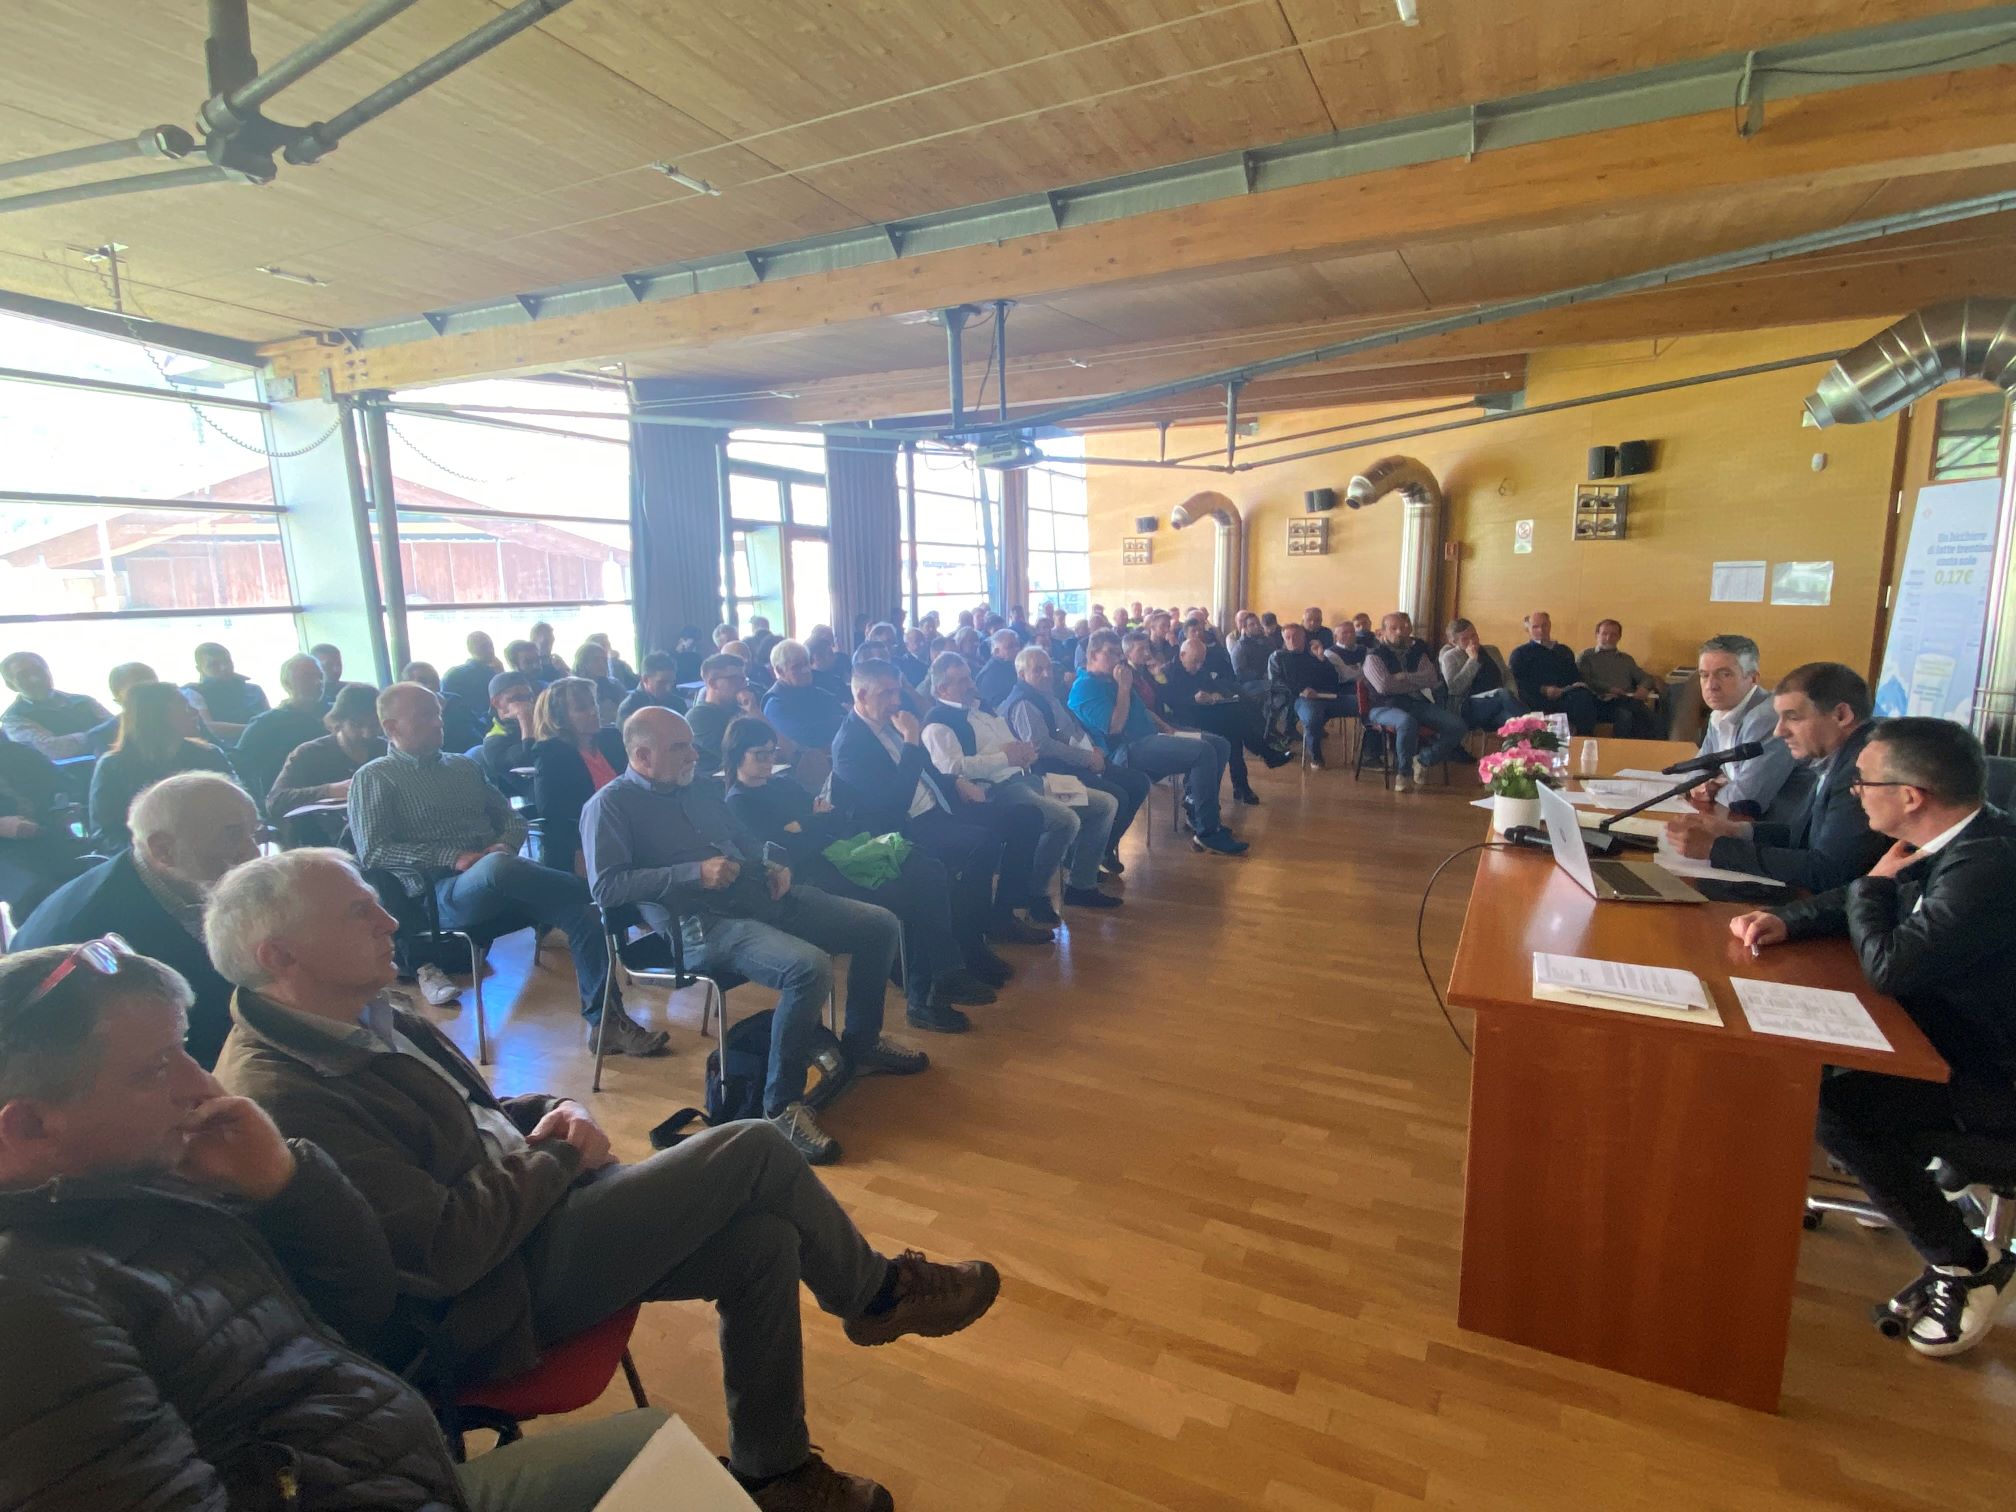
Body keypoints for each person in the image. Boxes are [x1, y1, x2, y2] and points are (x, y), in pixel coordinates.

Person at [207, 847, 996, 1509]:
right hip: (484, 1304)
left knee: (762, 1243)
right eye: (358, 912)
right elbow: (440, 1253)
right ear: (280, 956)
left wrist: (552, 1109)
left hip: (532, 1224)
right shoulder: (284, 1093)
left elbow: (472, 1117)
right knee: (755, 1145)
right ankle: (874, 1295)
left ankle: (775, 1471)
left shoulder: (367, 1015)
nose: (389, 921)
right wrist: (557, 1158)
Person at [0, 942, 670, 1512]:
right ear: (28, 1128)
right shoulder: (31, 1311)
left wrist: (288, 1183)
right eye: (154, 1070)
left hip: (394, 1464)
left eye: (182, 1049)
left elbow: (361, 1308)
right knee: (662, 1466)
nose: (200, 1085)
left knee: (655, 1447)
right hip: (378, 1483)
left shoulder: (148, 1182)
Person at [1731, 718, 2016, 1358]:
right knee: (1831, 1075)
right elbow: (1868, 896)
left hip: (1995, 1076)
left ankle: (1966, 1263)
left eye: (1864, 782)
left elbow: (1891, 965)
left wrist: (1873, 889)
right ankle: (1928, 1199)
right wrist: (1785, 919)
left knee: (1842, 1110)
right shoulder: (1959, 835)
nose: (1855, 792)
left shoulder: (1989, 865)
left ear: (1911, 795)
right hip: (1956, 1035)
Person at [584, 708, 922, 1160]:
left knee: (879, 924)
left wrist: (772, 861)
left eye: (691, 743)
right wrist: (693, 873)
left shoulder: (701, 787)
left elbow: (743, 838)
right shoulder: (610, 805)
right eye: (679, 747)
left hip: (757, 896)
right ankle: (781, 1106)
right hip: (699, 924)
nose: (693, 754)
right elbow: (606, 888)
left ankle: (861, 1042)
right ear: (642, 756)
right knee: (809, 967)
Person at [348, 683, 660, 1055]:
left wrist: (504, 845)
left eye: (438, 714)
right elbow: (375, 851)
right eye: (425, 716)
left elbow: (513, 820)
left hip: (505, 876)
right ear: (391, 727)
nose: (437, 723)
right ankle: (624, 892)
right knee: (503, 869)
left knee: (584, 914)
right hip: (442, 894)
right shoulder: (375, 777)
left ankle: (606, 1023)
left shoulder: (463, 766)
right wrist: (453, 857)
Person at [722, 716, 996, 1032]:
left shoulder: (783, 784)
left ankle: (940, 976)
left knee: (929, 871)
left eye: (772, 752)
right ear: (737, 755)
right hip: (807, 878)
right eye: (760, 754)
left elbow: (833, 819)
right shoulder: (739, 802)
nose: (769, 761)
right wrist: (813, 823)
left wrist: (804, 826)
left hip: (838, 856)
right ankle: (926, 992)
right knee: (908, 893)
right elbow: (785, 852)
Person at [14, 772, 258, 1067]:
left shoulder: (183, 879)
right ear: (163, 850)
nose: (254, 852)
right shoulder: (93, 935)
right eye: (233, 834)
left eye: (254, 833)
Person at [831, 662, 1043, 967]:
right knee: (982, 843)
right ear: (862, 695)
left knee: (1026, 817)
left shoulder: (890, 723)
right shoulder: (850, 744)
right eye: (887, 693)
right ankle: (970, 944)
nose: (896, 701)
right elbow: (894, 804)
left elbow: (928, 770)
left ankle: (1002, 915)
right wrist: (911, 740)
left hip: (939, 806)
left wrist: (955, 781)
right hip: (904, 827)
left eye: (897, 692)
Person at [1664, 662, 1887, 890]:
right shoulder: (1837, 756)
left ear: (1841, 715)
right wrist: (1735, 831)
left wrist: (1716, 849)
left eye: (1793, 717)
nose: (1779, 731)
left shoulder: (1864, 770)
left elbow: (1828, 870)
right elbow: (1802, 837)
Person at [925, 652, 1105, 923]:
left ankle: (1081, 883)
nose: (971, 684)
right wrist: (1005, 758)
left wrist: (1025, 753)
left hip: (1029, 778)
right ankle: (1036, 892)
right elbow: (952, 769)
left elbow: (1013, 744)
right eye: (961, 681)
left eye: (969, 677)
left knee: (1103, 805)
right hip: (1001, 788)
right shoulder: (938, 723)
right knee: (1065, 820)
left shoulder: (981, 708)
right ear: (942, 689)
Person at [1070, 630, 1246, 856]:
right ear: (1093, 654)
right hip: (1127, 751)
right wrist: (1123, 688)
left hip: (1153, 737)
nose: (1118, 659)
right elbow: (1115, 727)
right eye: (1111, 653)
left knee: (1220, 745)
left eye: (1118, 653)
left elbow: (1142, 710)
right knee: (1203, 752)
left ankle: (1197, 809)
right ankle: (1208, 832)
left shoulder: (1111, 678)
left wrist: (1167, 727)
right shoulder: (1084, 687)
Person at [1000, 646, 1147, 881]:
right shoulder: (1023, 704)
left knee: (1138, 782)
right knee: (1117, 796)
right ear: (1021, 674)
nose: (1047, 674)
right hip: (1049, 778)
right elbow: (1043, 747)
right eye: (1038, 670)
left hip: (1075, 763)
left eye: (1049, 668)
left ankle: (1100, 850)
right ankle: (1080, 862)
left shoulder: (1047, 694)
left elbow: (1073, 728)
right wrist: (1088, 758)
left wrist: (1093, 749)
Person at [86, 681, 240, 854]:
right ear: (156, 716)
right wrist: (150, 856)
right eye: (185, 707)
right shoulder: (113, 766)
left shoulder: (209, 755)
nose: (195, 712)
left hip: (214, 852)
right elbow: (105, 835)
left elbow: (237, 807)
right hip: (145, 858)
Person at [1163, 635, 1291, 805]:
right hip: (1184, 720)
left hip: (1205, 715)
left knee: (1234, 728)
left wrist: (1217, 694)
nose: (1199, 666)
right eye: (1195, 661)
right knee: (1234, 726)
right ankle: (1258, 764)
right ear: (1182, 655)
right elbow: (1168, 702)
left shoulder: (1200, 669)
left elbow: (1212, 686)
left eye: (1201, 661)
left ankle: (1246, 779)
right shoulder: (1168, 673)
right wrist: (1192, 699)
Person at [1691, 633, 1802, 821]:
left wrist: (1715, 789)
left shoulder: (1767, 719)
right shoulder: (1720, 711)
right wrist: (1703, 785)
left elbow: (1745, 801)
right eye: (1704, 675)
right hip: (1736, 820)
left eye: (1725, 674)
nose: (1711, 685)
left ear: (1753, 679)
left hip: (1774, 828)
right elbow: (1696, 769)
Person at [268, 683, 387, 850]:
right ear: (338, 721)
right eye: (357, 724)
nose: (367, 733)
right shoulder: (309, 753)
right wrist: (329, 790)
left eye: (374, 725)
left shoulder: (386, 749)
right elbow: (275, 802)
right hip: (322, 845)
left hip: (381, 837)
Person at [1361, 612, 1469, 791]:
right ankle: (1404, 774)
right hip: (1383, 707)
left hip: (1414, 703)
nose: (1400, 632)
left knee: (1457, 726)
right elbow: (1384, 686)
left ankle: (1423, 759)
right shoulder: (1373, 656)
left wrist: (1403, 677)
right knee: (1407, 722)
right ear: (1382, 632)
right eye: (1394, 628)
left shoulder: (1417, 652)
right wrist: (1414, 681)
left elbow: (1430, 678)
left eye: (1403, 627)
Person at [531, 675, 626, 877]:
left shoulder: (613, 739)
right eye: (582, 708)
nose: (593, 711)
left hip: (626, 829)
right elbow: (555, 816)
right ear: (560, 719)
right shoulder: (551, 754)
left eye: (594, 704)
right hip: (584, 841)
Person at [0, 732, 88, 919]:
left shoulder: (18, 752)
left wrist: (63, 805)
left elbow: (62, 783)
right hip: (7, 851)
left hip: (45, 833)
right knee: (38, 894)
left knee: (87, 879)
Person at [232, 652, 330, 807]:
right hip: (289, 803)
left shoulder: (336, 715)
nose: (318, 682)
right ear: (287, 683)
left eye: (320, 677)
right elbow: (241, 767)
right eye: (307, 676)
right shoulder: (266, 723)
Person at [0, 651, 113, 760]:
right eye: (23, 676)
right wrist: (99, 735)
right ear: (11, 686)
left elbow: (119, 729)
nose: (35, 679)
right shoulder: (12, 719)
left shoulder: (84, 701)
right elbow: (51, 750)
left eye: (39, 671)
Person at [1508, 611, 1600, 734]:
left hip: (1565, 695)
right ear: (1528, 630)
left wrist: (1577, 684)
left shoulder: (1564, 651)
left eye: (1544, 625)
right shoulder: (1520, 653)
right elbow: (1516, 681)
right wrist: (1543, 689)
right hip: (1537, 698)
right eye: (1535, 627)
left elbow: (1574, 676)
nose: (1541, 630)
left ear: (1550, 625)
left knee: (1585, 698)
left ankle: (1583, 738)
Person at [1268, 622, 1343, 767]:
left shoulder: (1312, 655)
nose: (1292, 641)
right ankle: (1316, 757)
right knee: (1312, 716)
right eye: (1288, 638)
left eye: (1296, 637)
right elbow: (1277, 683)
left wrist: (1322, 659)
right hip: (1300, 698)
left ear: (1304, 638)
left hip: (1325, 696)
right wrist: (1301, 690)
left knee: (1359, 705)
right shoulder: (1279, 657)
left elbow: (1333, 680)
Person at [1576, 619, 1663, 738]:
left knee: (1656, 720)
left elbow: (1646, 678)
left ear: (1619, 637)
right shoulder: (1586, 656)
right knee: (1626, 715)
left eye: (1613, 635)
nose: (1608, 638)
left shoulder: (1626, 659)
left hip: (1627, 700)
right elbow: (1584, 679)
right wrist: (1609, 688)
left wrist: (1644, 688)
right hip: (1600, 702)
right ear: (1597, 635)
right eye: (1604, 634)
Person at [764, 639, 850, 753]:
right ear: (780, 671)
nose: (805, 670)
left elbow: (849, 723)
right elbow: (806, 738)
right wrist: (838, 722)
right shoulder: (775, 704)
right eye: (796, 667)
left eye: (806, 663)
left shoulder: (820, 694)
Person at [1438, 617, 1523, 732]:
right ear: (1454, 642)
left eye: (1474, 635)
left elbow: (1507, 676)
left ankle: (1536, 736)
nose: (1472, 641)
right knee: (1503, 693)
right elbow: (1455, 689)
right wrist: (1472, 660)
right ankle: (1537, 724)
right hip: (1468, 707)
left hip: (1498, 704)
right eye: (1465, 639)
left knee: (1511, 720)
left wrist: (1513, 696)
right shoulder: (1450, 657)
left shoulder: (1492, 650)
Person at [183, 641, 269, 737]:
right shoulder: (193, 693)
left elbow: (270, 720)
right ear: (200, 669)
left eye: (227, 662)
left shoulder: (254, 690)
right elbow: (209, 727)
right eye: (214, 665)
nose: (224, 668)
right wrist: (256, 728)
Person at [403, 658, 484, 752]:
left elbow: (478, 727)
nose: (430, 685)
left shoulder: (454, 700)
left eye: (433, 679)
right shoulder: (409, 714)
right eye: (423, 681)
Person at [479, 670, 540, 792]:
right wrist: (525, 719)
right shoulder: (493, 742)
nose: (526, 703)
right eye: (517, 698)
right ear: (497, 702)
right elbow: (531, 763)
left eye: (529, 697)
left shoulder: (543, 723)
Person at [443, 628, 503, 710]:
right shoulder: (456, 675)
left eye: (490, 645)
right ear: (471, 649)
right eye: (484, 646)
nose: (490, 650)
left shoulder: (495, 671)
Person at [619, 649, 688, 720]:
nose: (668, 688)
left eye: (672, 682)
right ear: (645, 680)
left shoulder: (679, 704)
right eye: (661, 683)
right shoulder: (629, 708)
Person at [571, 641, 627, 724]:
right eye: (596, 660)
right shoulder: (572, 688)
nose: (602, 664)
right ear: (583, 663)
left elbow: (626, 712)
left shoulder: (614, 685)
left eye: (604, 660)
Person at [974, 629, 1021, 710]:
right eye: (1010, 647)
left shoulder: (1013, 665)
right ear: (996, 651)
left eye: (1017, 645)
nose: (1017, 649)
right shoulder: (989, 675)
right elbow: (996, 708)